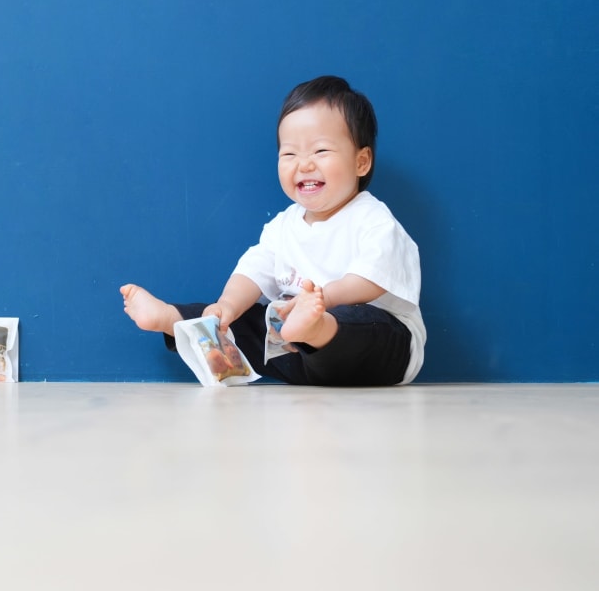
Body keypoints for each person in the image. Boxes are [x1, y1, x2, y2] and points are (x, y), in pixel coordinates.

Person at [121, 75, 425, 386]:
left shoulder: (372, 219)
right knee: (239, 320)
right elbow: (253, 271)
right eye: (290, 154)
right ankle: (176, 321)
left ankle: (316, 328)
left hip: (379, 351)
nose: (304, 164)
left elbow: (371, 279)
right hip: (294, 353)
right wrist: (227, 304)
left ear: (361, 162)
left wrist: (322, 301)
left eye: (320, 151)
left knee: (361, 323)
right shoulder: (283, 226)